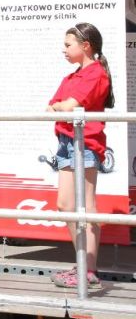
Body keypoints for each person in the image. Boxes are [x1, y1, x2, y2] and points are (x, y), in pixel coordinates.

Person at [48, 23, 112, 290]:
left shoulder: (96, 74)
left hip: (84, 143)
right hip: (67, 143)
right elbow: (54, 105)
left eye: (68, 45)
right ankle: (83, 265)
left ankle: (88, 268)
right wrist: (61, 107)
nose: (64, 50)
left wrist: (62, 106)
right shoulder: (73, 76)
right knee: (65, 205)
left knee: (85, 206)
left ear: (86, 46)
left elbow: (69, 106)